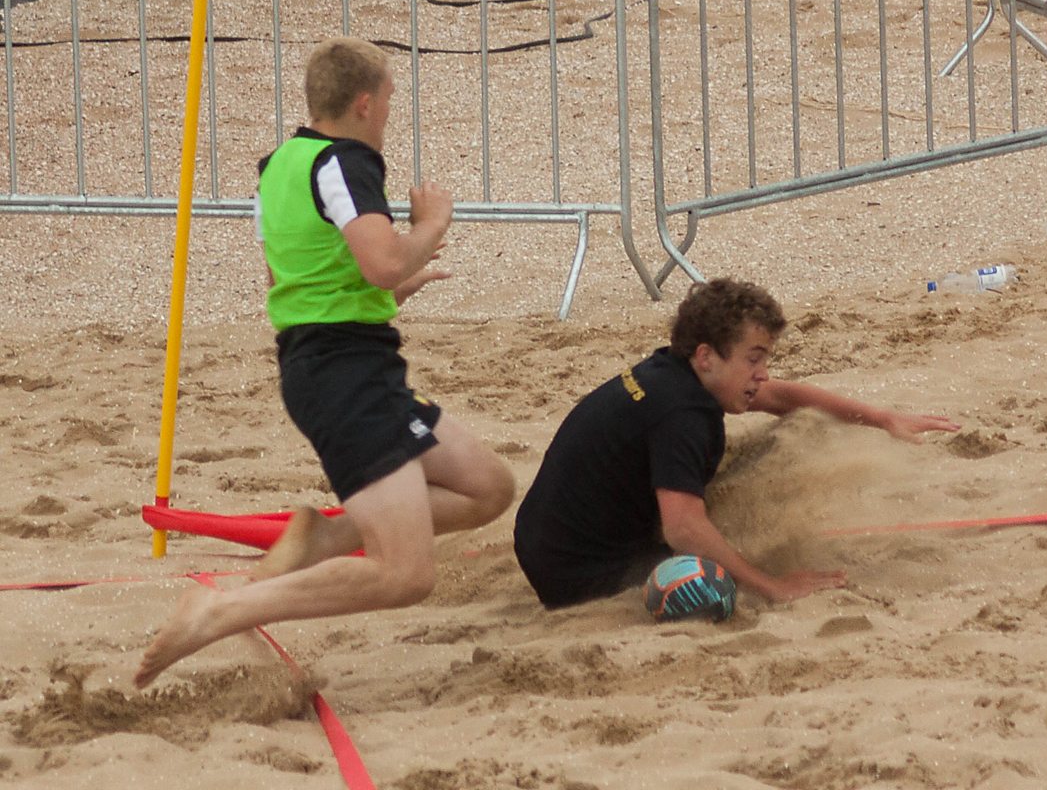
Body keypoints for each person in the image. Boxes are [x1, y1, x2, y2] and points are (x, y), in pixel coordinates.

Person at [136, 37, 514, 688]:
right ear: (364, 103)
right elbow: (384, 261)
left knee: (488, 487)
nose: (390, 111)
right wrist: (430, 225)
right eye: (389, 98)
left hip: (336, 362)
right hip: (346, 377)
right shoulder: (346, 161)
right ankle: (222, 611)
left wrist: (389, 293)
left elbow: (304, 288)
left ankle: (326, 538)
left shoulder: (278, 167)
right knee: (405, 575)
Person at [513, 278, 960, 609]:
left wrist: (883, 419)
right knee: (709, 594)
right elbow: (683, 528)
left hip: (544, 544)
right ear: (707, 356)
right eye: (754, 359)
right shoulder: (682, 414)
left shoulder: (673, 372)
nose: (762, 373)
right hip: (581, 578)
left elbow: (781, 397)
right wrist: (772, 586)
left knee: (775, 445)